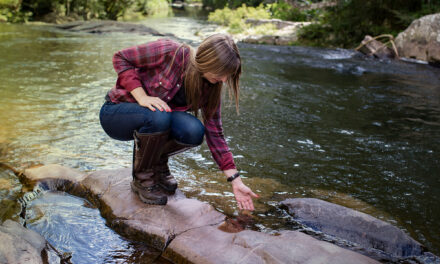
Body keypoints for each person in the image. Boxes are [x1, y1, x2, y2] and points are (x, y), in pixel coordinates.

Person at [99, 33, 258, 211]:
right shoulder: (170, 52)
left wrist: (235, 181)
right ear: (207, 61)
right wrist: (141, 96)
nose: (224, 80)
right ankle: (142, 178)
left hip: (156, 120)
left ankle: (157, 165)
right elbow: (121, 57)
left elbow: (215, 133)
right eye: (221, 73)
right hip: (116, 113)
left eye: (227, 75)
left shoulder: (211, 87)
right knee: (159, 115)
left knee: (194, 130)